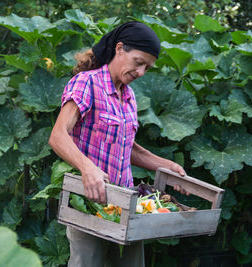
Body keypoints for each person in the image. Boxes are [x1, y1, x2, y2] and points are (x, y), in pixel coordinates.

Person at [48, 21, 186, 267]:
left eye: (147, 67)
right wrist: (87, 168)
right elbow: (58, 135)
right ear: (120, 49)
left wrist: (166, 166)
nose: (141, 72)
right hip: (89, 202)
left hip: (125, 204)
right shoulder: (87, 83)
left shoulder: (128, 95)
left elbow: (127, 147)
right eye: (138, 62)